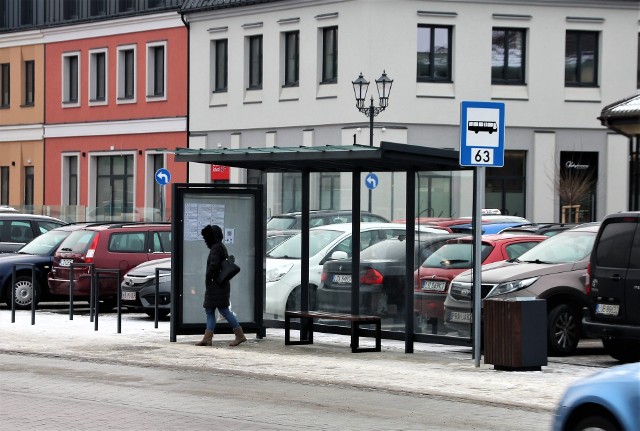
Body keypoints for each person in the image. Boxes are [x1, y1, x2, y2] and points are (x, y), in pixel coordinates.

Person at [195, 224, 247, 347]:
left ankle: (239, 335)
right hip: (220, 284)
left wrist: (208, 279)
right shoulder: (221, 247)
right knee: (212, 310)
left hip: (215, 285)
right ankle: (208, 338)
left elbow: (213, 265)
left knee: (221, 310)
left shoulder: (215, 248)